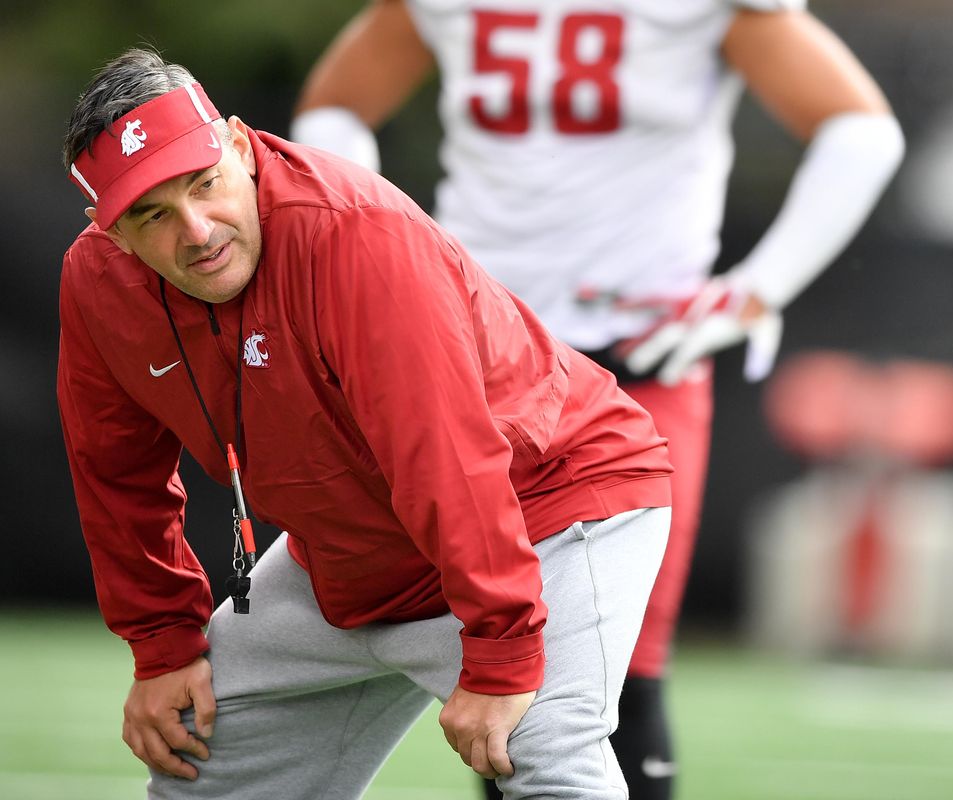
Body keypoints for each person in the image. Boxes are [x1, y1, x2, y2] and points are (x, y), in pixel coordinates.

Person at [292, 2, 904, 798]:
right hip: (477, 353)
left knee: (620, 668)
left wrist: (760, 288)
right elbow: (336, 106)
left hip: (637, 362)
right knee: (504, 651)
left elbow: (860, 131)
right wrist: (382, 237)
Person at [58, 47, 675, 800]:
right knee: (198, 761)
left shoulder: (356, 237)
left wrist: (505, 647)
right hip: (354, 554)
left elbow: (444, 455)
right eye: (153, 215)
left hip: (542, 504)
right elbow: (116, 474)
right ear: (109, 231)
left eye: (205, 184)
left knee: (544, 756)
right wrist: (161, 646)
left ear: (241, 145)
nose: (197, 230)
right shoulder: (96, 281)